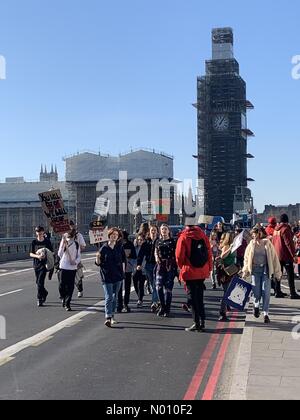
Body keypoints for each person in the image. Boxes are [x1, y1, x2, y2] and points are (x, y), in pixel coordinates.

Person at [176, 220, 212, 332]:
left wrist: (181, 266)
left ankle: (196, 322)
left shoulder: (184, 236)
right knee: (200, 298)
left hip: (190, 271)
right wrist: (209, 267)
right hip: (202, 271)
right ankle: (202, 322)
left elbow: (179, 256)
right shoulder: (203, 235)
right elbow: (209, 253)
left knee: (192, 297)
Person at [243, 225, 282, 323]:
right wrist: (245, 271)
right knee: (257, 292)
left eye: (256, 234)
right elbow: (246, 259)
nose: (254, 236)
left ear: (260, 233)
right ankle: (256, 306)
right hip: (255, 270)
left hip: (265, 270)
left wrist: (277, 273)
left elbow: (274, 259)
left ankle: (266, 314)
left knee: (266, 292)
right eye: (253, 234)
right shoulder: (251, 244)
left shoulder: (267, 243)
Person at [96, 228, 126, 328]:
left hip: (118, 276)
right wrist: (97, 257)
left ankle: (112, 315)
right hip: (106, 275)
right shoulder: (103, 248)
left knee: (115, 297)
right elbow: (98, 263)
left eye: (116, 235)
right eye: (112, 234)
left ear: (118, 237)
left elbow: (123, 261)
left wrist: (123, 273)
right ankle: (108, 317)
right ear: (109, 235)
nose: (114, 236)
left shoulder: (119, 247)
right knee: (109, 296)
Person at [272, 214, 300, 299]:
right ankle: (292, 293)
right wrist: (294, 255)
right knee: (290, 275)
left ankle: (277, 291)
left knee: (278, 274)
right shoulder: (285, 229)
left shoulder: (275, 230)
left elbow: (273, 242)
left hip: (277, 255)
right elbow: (289, 243)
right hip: (285, 255)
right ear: (287, 221)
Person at [155, 224, 177, 317]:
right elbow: (156, 251)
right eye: (162, 229)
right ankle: (162, 306)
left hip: (170, 265)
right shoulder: (158, 241)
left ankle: (167, 309)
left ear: (168, 231)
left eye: (165, 229)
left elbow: (176, 253)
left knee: (168, 289)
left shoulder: (173, 241)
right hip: (160, 265)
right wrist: (156, 257)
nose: (163, 230)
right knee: (159, 287)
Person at [137, 225, 160, 312]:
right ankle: (158, 300)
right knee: (152, 283)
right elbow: (141, 254)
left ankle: (154, 302)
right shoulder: (146, 243)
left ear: (157, 232)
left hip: (158, 265)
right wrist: (139, 264)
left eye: (154, 230)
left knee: (155, 283)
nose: (153, 232)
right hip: (148, 266)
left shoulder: (159, 241)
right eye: (151, 230)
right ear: (149, 232)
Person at [57, 229, 81, 311]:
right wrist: (63, 245)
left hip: (72, 268)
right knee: (62, 285)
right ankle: (63, 297)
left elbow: (79, 256)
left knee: (70, 286)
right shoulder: (64, 242)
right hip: (63, 266)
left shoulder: (76, 244)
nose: (70, 238)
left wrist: (75, 262)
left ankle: (68, 303)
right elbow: (59, 254)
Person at [30, 226, 53, 307]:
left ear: (43, 232)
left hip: (44, 264)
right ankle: (45, 293)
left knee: (40, 282)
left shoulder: (47, 241)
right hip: (36, 264)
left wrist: (45, 254)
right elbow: (31, 253)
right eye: (37, 233)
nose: (39, 234)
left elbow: (51, 252)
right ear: (36, 233)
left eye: (40, 232)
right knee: (38, 282)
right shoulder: (34, 242)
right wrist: (38, 256)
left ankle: (39, 299)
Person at [216, 232, 237, 322]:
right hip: (225, 272)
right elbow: (222, 256)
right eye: (232, 237)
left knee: (229, 292)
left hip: (232, 270)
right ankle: (222, 313)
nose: (234, 238)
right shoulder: (226, 246)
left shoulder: (233, 246)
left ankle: (225, 306)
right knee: (226, 293)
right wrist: (230, 249)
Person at [117, 231, 137, 313]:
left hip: (127, 268)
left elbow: (134, 256)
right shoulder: (116, 244)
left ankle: (125, 303)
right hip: (119, 268)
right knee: (119, 287)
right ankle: (120, 304)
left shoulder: (129, 244)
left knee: (127, 286)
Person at [69, 220, 86, 298]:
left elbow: (83, 246)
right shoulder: (65, 235)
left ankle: (80, 290)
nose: (70, 227)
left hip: (76, 258)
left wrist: (76, 246)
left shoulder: (79, 235)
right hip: (67, 260)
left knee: (78, 274)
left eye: (71, 226)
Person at [133, 234, 147, 308]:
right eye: (138, 240)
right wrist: (135, 266)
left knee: (140, 285)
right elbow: (133, 258)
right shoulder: (135, 248)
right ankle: (139, 295)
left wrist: (142, 266)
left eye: (141, 240)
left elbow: (146, 259)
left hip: (143, 269)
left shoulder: (145, 248)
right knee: (135, 283)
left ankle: (140, 299)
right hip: (135, 268)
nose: (140, 241)